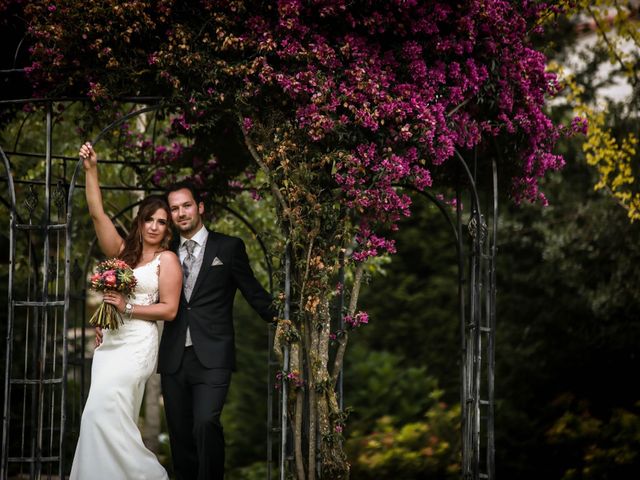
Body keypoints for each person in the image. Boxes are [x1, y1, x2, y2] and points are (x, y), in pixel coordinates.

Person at [70, 142, 182, 480]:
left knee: (108, 415)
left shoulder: (168, 260)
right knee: (97, 418)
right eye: (149, 219)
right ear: (140, 221)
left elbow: (171, 309)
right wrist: (92, 170)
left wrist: (128, 306)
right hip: (110, 345)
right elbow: (97, 214)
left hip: (137, 347)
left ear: (167, 229)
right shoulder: (123, 255)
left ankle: (152, 476)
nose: (154, 226)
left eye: (162, 222)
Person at [159, 181, 276, 480]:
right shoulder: (165, 253)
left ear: (200, 207)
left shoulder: (228, 247)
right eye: (174, 209)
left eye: (186, 205)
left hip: (213, 356)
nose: (181, 213)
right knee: (181, 435)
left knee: (206, 423)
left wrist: (285, 320)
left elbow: (254, 292)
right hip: (173, 357)